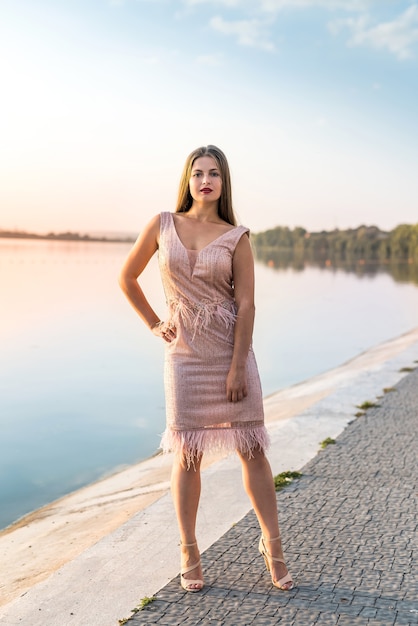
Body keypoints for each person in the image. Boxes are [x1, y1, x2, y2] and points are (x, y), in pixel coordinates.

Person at [119, 145, 294, 593]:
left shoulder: (237, 237)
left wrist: (238, 366)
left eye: (214, 173)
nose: (205, 181)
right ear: (188, 180)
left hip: (231, 354)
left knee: (253, 450)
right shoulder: (162, 225)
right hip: (184, 357)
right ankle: (189, 550)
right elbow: (127, 277)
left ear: (223, 182)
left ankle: (272, 545)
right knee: (188, 454)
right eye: (198, 173)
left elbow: (247, 303)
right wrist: (156, 323)